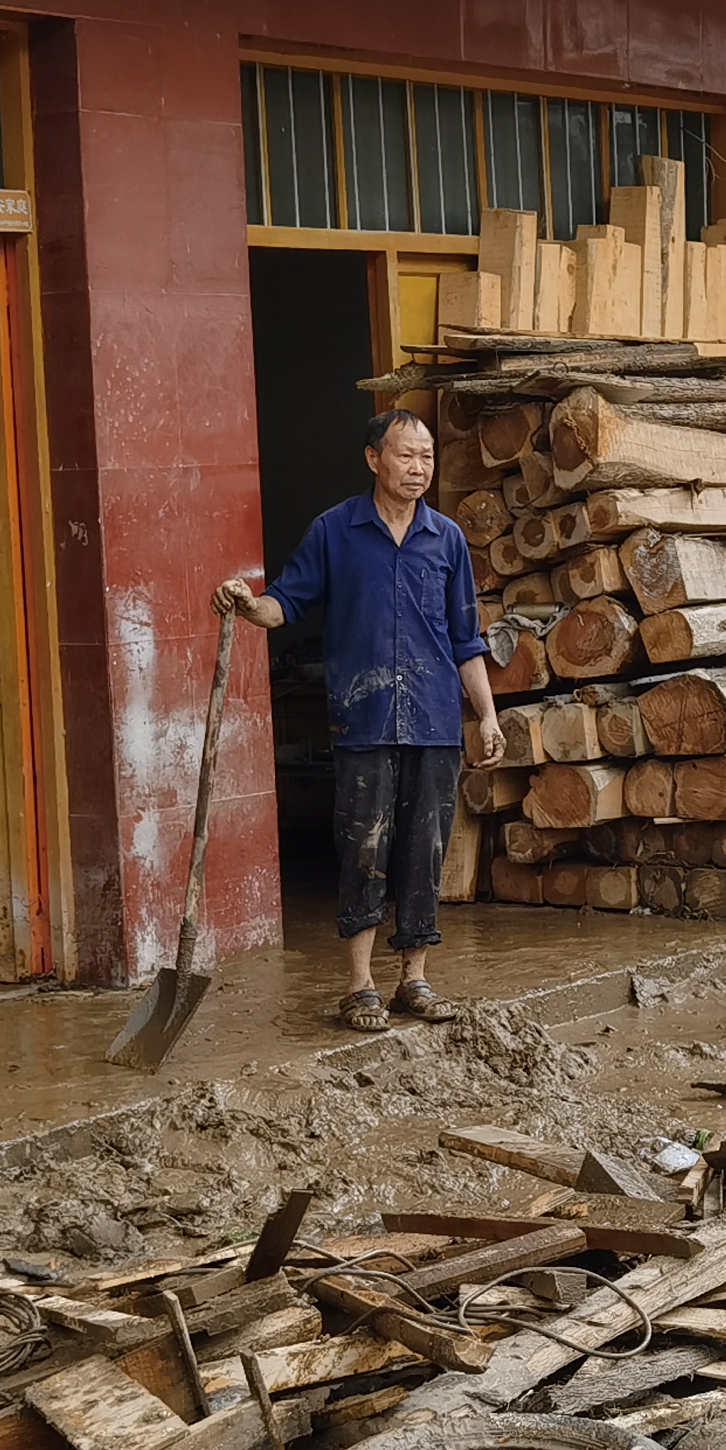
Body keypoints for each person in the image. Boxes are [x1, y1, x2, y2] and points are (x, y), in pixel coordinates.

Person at [219, 407, 506, 1033]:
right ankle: (360, 985)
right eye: (406, 455)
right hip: (364, 717)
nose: (419, 467)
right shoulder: (335, 531)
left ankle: (415, 979)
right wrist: (247, 603)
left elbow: (467, 638)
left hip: (432, 719)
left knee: (425, 851)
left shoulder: (447, 538)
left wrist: (485, 715)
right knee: (363, 848)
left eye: (427, 456)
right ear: (373, 459)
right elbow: (283, 604)